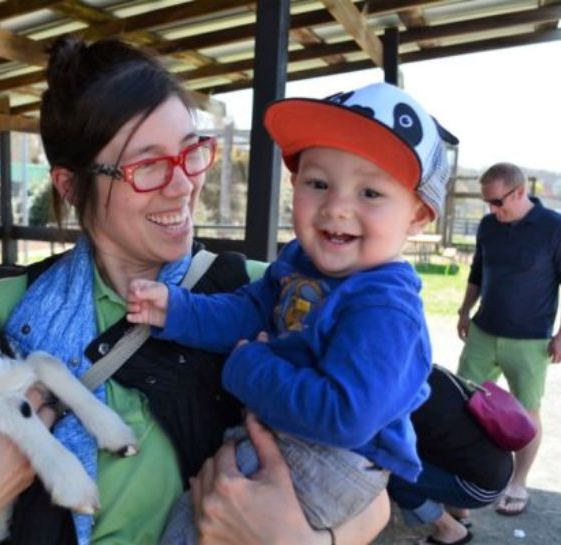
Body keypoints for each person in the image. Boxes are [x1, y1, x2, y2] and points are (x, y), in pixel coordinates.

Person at [0, 36, 389, 545]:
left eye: (191, 152)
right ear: (71, 185)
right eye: (148, 166)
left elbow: (374, 483)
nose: (183, 184)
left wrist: (306, 540)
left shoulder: (270, 294)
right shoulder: (2, 311)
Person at [127, 82, 458, 542]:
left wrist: (247, 367)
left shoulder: (384, 306)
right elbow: (249, 312)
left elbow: (345, 416)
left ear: (418, 215)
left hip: (329, 458)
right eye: (318, 183)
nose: (337, 207)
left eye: (371, 193)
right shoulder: (301, 264)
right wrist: (178, 310)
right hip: (289, 436)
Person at [456, 161, 561, 516]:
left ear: (519, 192)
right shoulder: (488, 226)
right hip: (483, 332)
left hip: (531, 340)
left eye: (498, 202)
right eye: (488, 203)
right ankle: (467, 479)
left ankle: (518, 483)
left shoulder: (554, 227)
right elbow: (477, 270)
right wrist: (464, 310)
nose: (492, 210)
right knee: (465, 404)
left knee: (525, 414)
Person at [387, 365, 514, 545]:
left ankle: (450, 530)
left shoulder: (406, 399)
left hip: (481, 487)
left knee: (396, 475)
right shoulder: (433, 371)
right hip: (500, 464)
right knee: (447, 444)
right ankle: (458, 510)